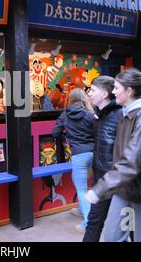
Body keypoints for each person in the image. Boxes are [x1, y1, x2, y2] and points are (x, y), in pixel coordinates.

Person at [86, 69, 141, 242]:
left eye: (116, 88)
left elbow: (132, 161)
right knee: (113, 237)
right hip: (124, 190)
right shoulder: (126, 114)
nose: (113, 92)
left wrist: (100, 188)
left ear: (129, 91)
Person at [83, 76, 122, 242]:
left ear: (105, 93)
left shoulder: (121, 115)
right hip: (101, 182)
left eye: (92, 90)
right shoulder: (98, 117)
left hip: (119, 184)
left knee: (124, 229)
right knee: (93, 223)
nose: (89, 94)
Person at [52, 88, 96, 233]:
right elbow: (98, 132)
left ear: (70, 99)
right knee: (84, 183)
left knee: (81, 188)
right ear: (84, 99)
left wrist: (67, 138)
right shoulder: (90, 115)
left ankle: (89, 223)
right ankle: (81, 209)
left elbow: (55, 133)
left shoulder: (65, 115)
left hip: (79, 155)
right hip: (94, 154)